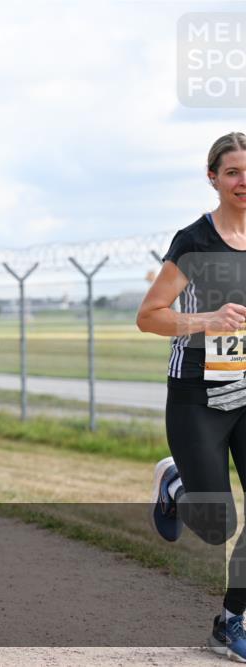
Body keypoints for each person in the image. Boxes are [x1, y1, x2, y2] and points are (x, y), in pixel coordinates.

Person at [138, 131, 246, 661]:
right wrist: (207, 320)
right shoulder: (194, 240)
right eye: (232, 172)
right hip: (198, 396)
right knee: (216, 524)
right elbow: (149, 316)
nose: (243, 181)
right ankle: (174, 481)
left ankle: (231, 621)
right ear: (213, 179)